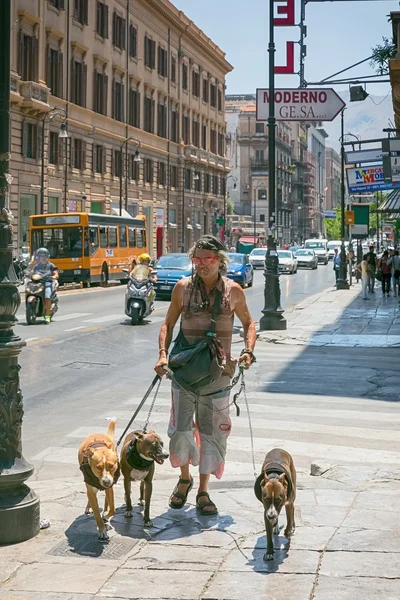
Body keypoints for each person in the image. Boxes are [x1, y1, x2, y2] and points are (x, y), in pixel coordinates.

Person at [154, 235, 256, 515]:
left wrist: (248, 351)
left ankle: (203, 491)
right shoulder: (181, 288)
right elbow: (168, 324)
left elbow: (249, 324)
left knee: (212, 434)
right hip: (184, 373)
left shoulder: (234, 291)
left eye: (205, 259)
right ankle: (184, 479)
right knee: (181, 430)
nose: (199, 264)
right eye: (195, 259)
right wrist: (163, 354)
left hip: (218, 375)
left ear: (219, 261)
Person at [31, 248, 59, 323]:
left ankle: (47, 316)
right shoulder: (36, 266)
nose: (43, 258)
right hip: (37, 283)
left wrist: (53, 277)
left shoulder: (51, 265)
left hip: (47, 282)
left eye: (44, 256)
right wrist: (28, 273)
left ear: (47, 257)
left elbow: (56, 274)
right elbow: (31, 272)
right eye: (41, 256)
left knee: (47, 296)